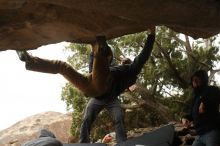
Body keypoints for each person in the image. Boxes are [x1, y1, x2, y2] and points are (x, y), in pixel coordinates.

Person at [79, 27, 155, 144]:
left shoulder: (125, 70)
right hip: (97, 98)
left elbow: (143, 56)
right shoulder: (115, 68)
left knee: (118, 118)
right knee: (87, 119)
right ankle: (84, 142)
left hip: (111, 99)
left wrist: (152, 35)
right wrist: (93, 50)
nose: (122, 61)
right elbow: (94, 67)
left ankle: (121, 142)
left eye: (124, 62)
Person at [16, 36, 114, 97]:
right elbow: (93, 61)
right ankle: (29, 60)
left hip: (99, 88)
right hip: (88, 81)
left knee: (99, 56)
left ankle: (102, 49)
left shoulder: (111, 68)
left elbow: (127, 69)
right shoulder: (100, 65)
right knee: (61, 66)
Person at [181, 69, 220, 146]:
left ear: (203, 79)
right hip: (199, 135)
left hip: (212, 132)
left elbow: (217, 98)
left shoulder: (212, 90)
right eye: (193, 80)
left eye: (196, 79)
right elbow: (191, 114)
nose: (194, 82)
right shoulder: (195, 97)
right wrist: (184, 119)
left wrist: (206, 103)